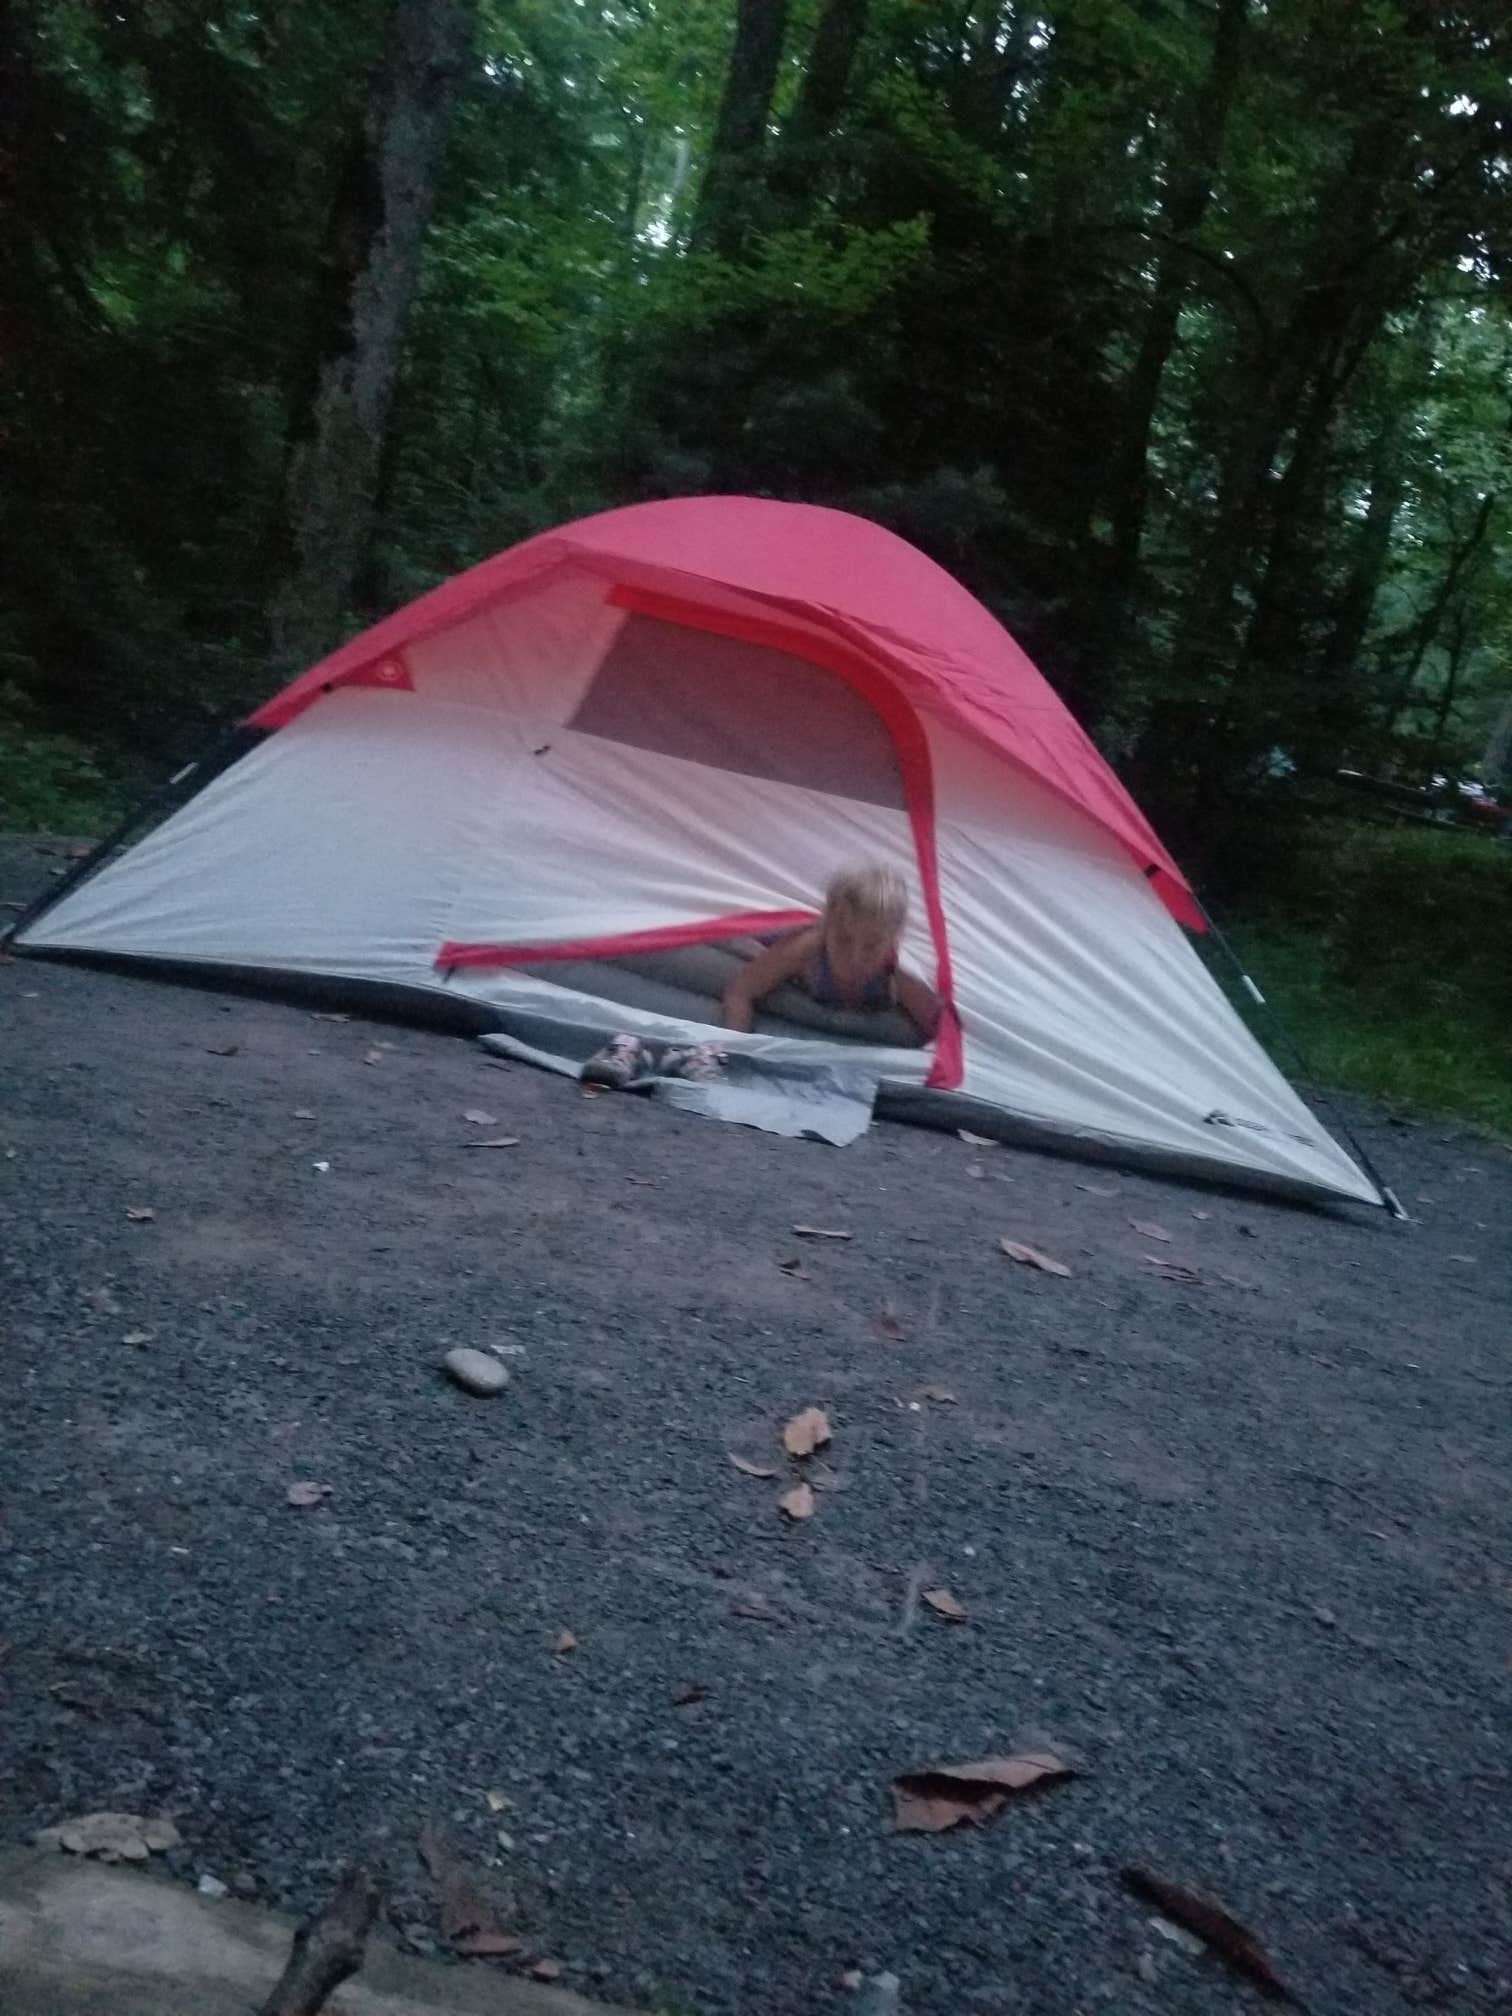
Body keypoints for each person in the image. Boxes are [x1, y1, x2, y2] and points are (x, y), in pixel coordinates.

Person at [720, 864, 939, 1041]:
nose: (855, 957)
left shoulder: (898, 974)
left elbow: (941, 1034)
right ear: (827, 928)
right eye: (843, 940)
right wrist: (731, 1051)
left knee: (907, 1034)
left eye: (871, 946)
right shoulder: (808, 948)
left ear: (893, 940)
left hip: (851, 1018)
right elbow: (740, 992)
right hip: (789, 981)